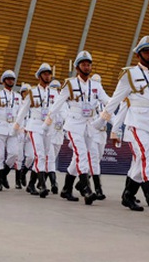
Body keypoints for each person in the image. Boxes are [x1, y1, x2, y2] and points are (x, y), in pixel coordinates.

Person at [102, 36, 149, 217]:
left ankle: (128, 195)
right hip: (136, 124)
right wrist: (105, 123)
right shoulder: (129, 75)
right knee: (147, 157)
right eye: (146, 51)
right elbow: (115, 101)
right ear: (138, 55)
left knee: (140, 162)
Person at [45, 51, 111, 205]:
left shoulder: (96, 85)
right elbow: (58, 103)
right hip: (74, 124)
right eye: (83, 64)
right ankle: (87, 190)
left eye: (88, 64)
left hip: (89, 125)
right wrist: (48, 121)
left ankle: (66, 189)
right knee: (81, 154)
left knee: (79, 158)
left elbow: (107, 100)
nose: (86, 67)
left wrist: (121, 103)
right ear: (77, 67)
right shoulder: (70, 84)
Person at [14, 63, 55, 198]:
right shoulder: (32, 92)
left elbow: (62, 109)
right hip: (35, 125)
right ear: (39, 76)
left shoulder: (54, 92)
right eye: (45, 74)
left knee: (45, 156)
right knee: (40, 155)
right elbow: (23, 110)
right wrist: (16, 125)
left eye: (49, 74)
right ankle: (42, 185)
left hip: (48, 127)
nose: (47, 76)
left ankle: (31, 184)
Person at [0, 70, 23, 191]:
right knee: (0, 155)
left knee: (14, 154)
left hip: (13, 128)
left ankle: (3, 175)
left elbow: (20, 115)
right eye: (8, 79)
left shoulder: (17, 96)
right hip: (0, 127)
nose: (10, 81)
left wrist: (21, 130)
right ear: (3, 81)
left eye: (12, 79)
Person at [88, 74, 109, 200]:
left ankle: (81, 183)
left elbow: (110, 115)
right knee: (94, 159)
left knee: (98, 159)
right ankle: (97, 188)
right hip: (92, 132)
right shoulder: (89, 100)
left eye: (99, 82)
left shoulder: (104, 102)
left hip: (103, 133)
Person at [46, 79, 64, 194]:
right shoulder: (47, 102)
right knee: (51, 159)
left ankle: (35, 182)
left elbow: (67, 116)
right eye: (53, 89)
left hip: (59, 135)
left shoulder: (64, 103)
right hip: (49, 135)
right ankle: (54, 183)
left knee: (49, 161)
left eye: (58, 89)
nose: (56, 91)